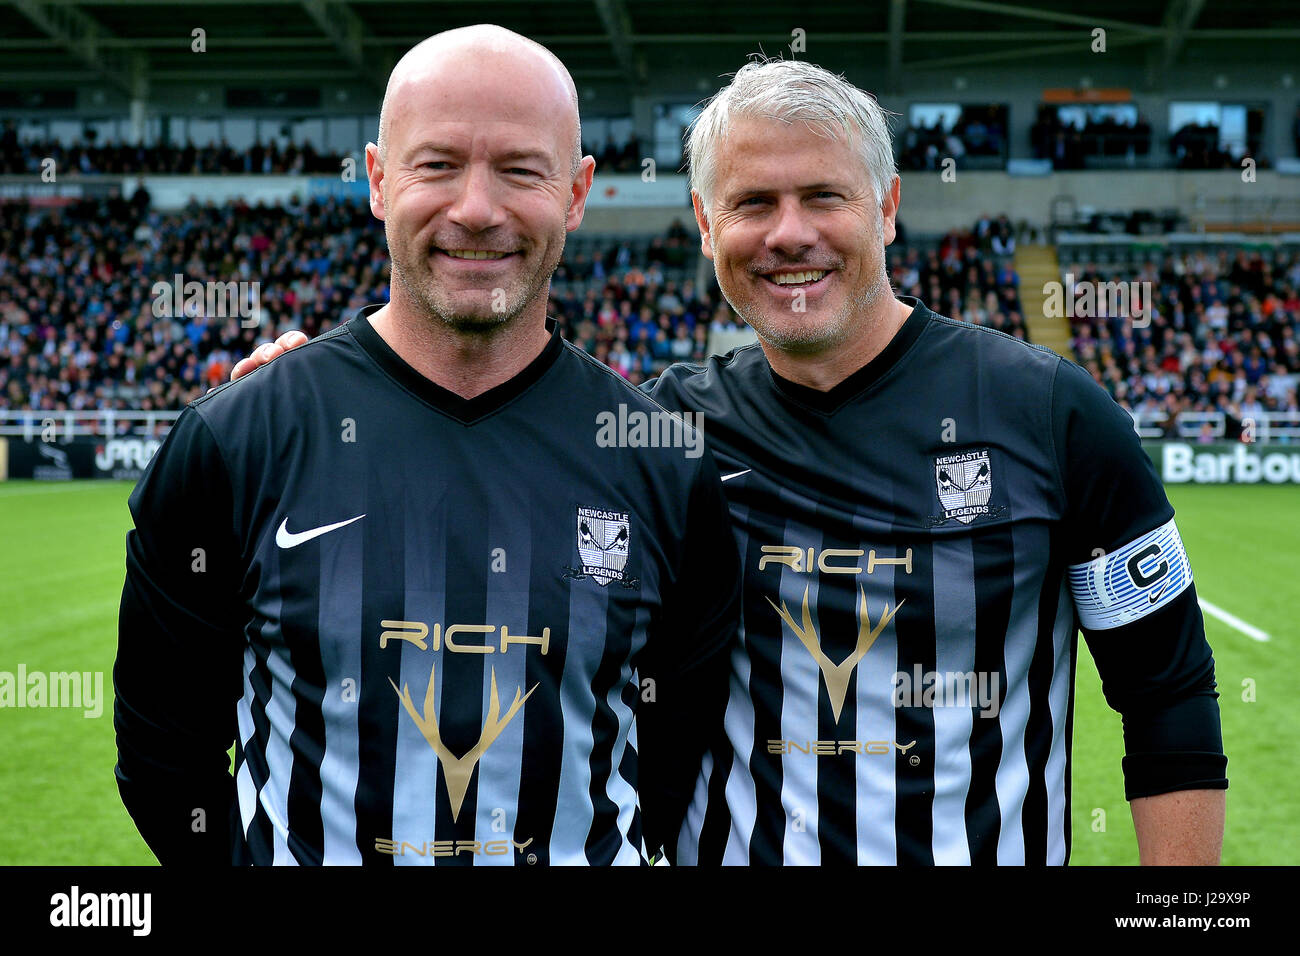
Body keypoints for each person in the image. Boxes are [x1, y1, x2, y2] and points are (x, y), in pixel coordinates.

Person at [233, 56, 1227, 866]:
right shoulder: (655, 432)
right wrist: (315, 388)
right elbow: (464, 430)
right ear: (707, 227)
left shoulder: (1050, 415)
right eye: (752, 202)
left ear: (885, 207)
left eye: (822, 197)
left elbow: (1166, 691)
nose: (788, 232)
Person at [114, 25, 740, 867]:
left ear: (578, 191)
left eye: (521, 169)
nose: (476, 210)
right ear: (377, 179)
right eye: (437, 164)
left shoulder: (660, 459)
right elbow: (165, 750)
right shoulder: (239, 440)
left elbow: (675, 750)